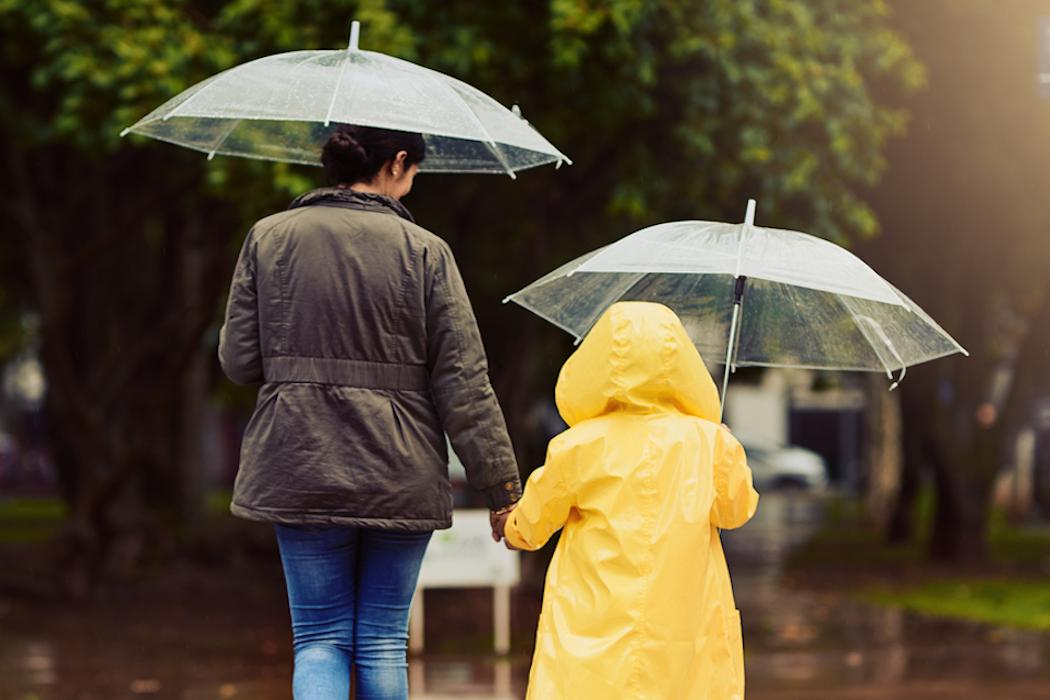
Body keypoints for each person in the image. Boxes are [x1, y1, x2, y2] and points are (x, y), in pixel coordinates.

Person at [218, 124, 522, 700]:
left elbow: (238, 361)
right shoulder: (427, 253)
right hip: (399, 468)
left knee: (318, 638)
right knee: (383, 639)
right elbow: (463, 382)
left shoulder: (268, 238)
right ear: (398, 162)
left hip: (298, 460)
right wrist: (502, 489)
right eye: (415, 170)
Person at [503, 301, 759, 700]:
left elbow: (532, 525)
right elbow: (736, 511)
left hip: (593, 622)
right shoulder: (709, 443)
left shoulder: (578, 445)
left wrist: (509, 526)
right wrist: (727, 447)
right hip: (684, 626)